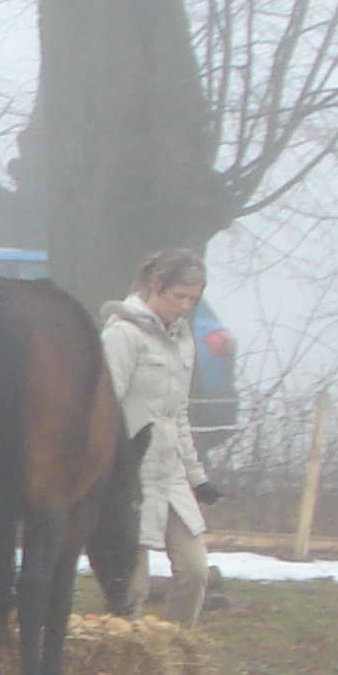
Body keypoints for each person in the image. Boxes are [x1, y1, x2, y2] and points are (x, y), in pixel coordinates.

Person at [100, 248, 220, 628]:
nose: (184, 306)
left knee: (195, 570)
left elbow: (177, 413)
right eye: (178, 296)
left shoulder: (183, 338)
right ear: (155, 286)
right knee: (131, 587)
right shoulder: (122, 335)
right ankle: (128, 660)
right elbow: (106, 409)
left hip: (172, 476)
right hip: (131, 479)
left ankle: (174, 653)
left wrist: (198, 476)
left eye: (192, 299)